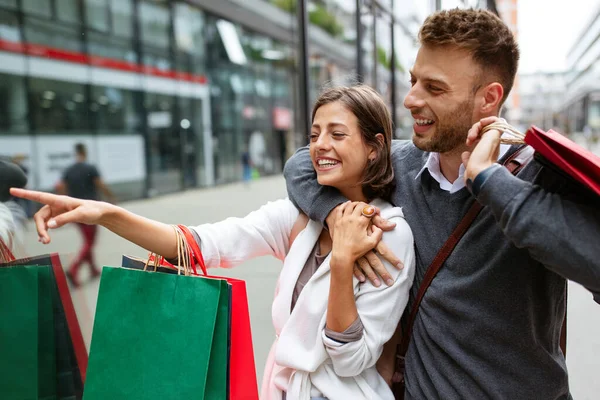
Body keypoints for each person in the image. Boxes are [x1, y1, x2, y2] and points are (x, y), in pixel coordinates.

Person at [12, 86, 416, 400]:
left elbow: (352, 361)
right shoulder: (298, 220)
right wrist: (105, 213)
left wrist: (343, 261)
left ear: (374, 147)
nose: (320, 145)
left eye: (337, 134)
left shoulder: (390, 235)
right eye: (314, 134)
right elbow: (198, 243)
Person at [283, 9, 599, 400]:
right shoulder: (400, 166)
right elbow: (300, 164)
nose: (410, 99)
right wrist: (337, 216)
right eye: (414, 81)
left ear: (489, 98)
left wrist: (488, 180)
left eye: (434, 88)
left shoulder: (539, 177)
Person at [57, 143, 116, 287]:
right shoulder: (90, 168)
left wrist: (64, 204)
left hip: (75, 209)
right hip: (90, 209)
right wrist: (111, 197)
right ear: (85, 152)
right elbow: (100, 184)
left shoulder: (69, 170)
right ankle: (74, 268)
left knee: (87, 240)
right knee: (90, 242)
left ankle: (93, 269)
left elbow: (61, 187)